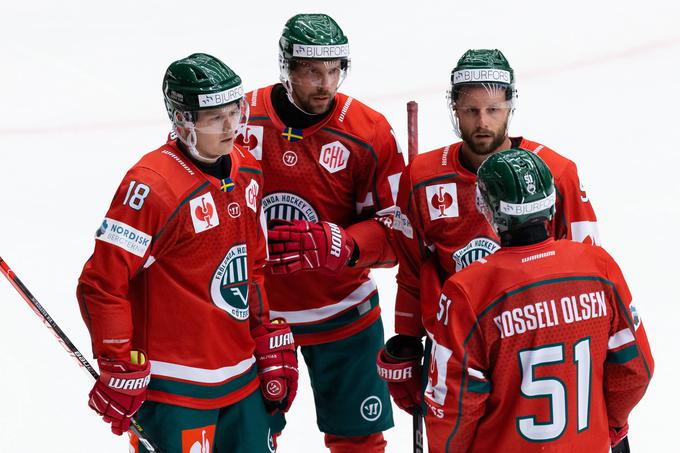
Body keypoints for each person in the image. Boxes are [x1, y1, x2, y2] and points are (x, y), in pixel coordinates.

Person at [76, 53, 298, 453]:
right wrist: (117, 362)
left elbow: (254, 266)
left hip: (242, 377)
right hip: (175, 387)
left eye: (235, 111)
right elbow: (103, 283)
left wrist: (263, 332)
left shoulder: (246, 168)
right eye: (215, 118)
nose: (231, 126)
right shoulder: (150, 187)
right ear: (183, 120)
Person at [377, 49, 600, 417]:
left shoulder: (555, 175)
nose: (483, 122)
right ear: (454, 109)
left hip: (532, 347)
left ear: (510, 107)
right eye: (471, 110)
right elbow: (414, 269)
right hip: (455, 350)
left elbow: (585, 279)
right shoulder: (423, 175)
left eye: (493, 109)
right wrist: (407, 337)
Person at [237, 13, 405, 453]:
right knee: (245, 442)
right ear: (286, 66)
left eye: (334, 70)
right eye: (312, 71)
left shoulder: (369, 131)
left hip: (344, 317)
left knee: (360, 443)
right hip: (257, 318)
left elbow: (400, 232)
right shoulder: (237, 122)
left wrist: (347, 245)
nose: (326, 84)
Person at [423, 148, 654, 452]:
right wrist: (612, 422)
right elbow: (636, 368)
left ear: (490, 209)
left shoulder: (468, 290)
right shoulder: (599, 266)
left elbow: (453, 406)